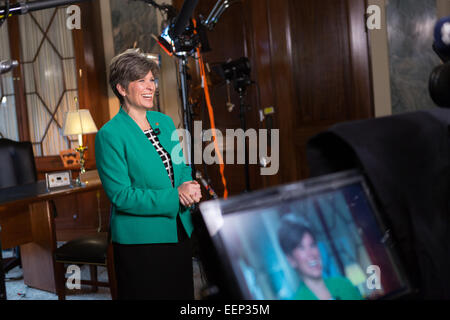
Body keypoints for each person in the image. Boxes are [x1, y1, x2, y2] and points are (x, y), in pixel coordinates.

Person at [95, 48, 201, 300]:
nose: (150, 86)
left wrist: (188, 184)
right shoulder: (109, 135)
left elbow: (180, 165)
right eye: (140, 80)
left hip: (179, 229)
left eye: (151, 79)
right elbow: (121, 196)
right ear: (121, 88)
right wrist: (176, 196)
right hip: (141, 241)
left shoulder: (163, 121)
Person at [278, 219, 363, 300]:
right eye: (301, 248)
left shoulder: (344, 285)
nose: (311, 254)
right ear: (291, 260)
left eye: (312, 245)